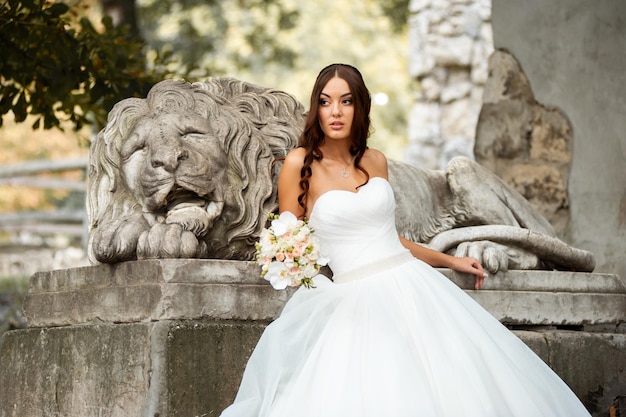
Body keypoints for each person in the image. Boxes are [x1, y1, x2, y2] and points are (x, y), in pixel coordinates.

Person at [219, 63, 591, 416]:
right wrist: (303, 271)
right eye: (325, 101)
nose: (335, 111)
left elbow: (391, 239)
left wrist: (451, 260)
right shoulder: (299, 164)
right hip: (353, 299)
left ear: (360, 107)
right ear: (316, 108)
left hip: (412, 284)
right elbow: (290, 239)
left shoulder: (375, 161)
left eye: (346, 101)